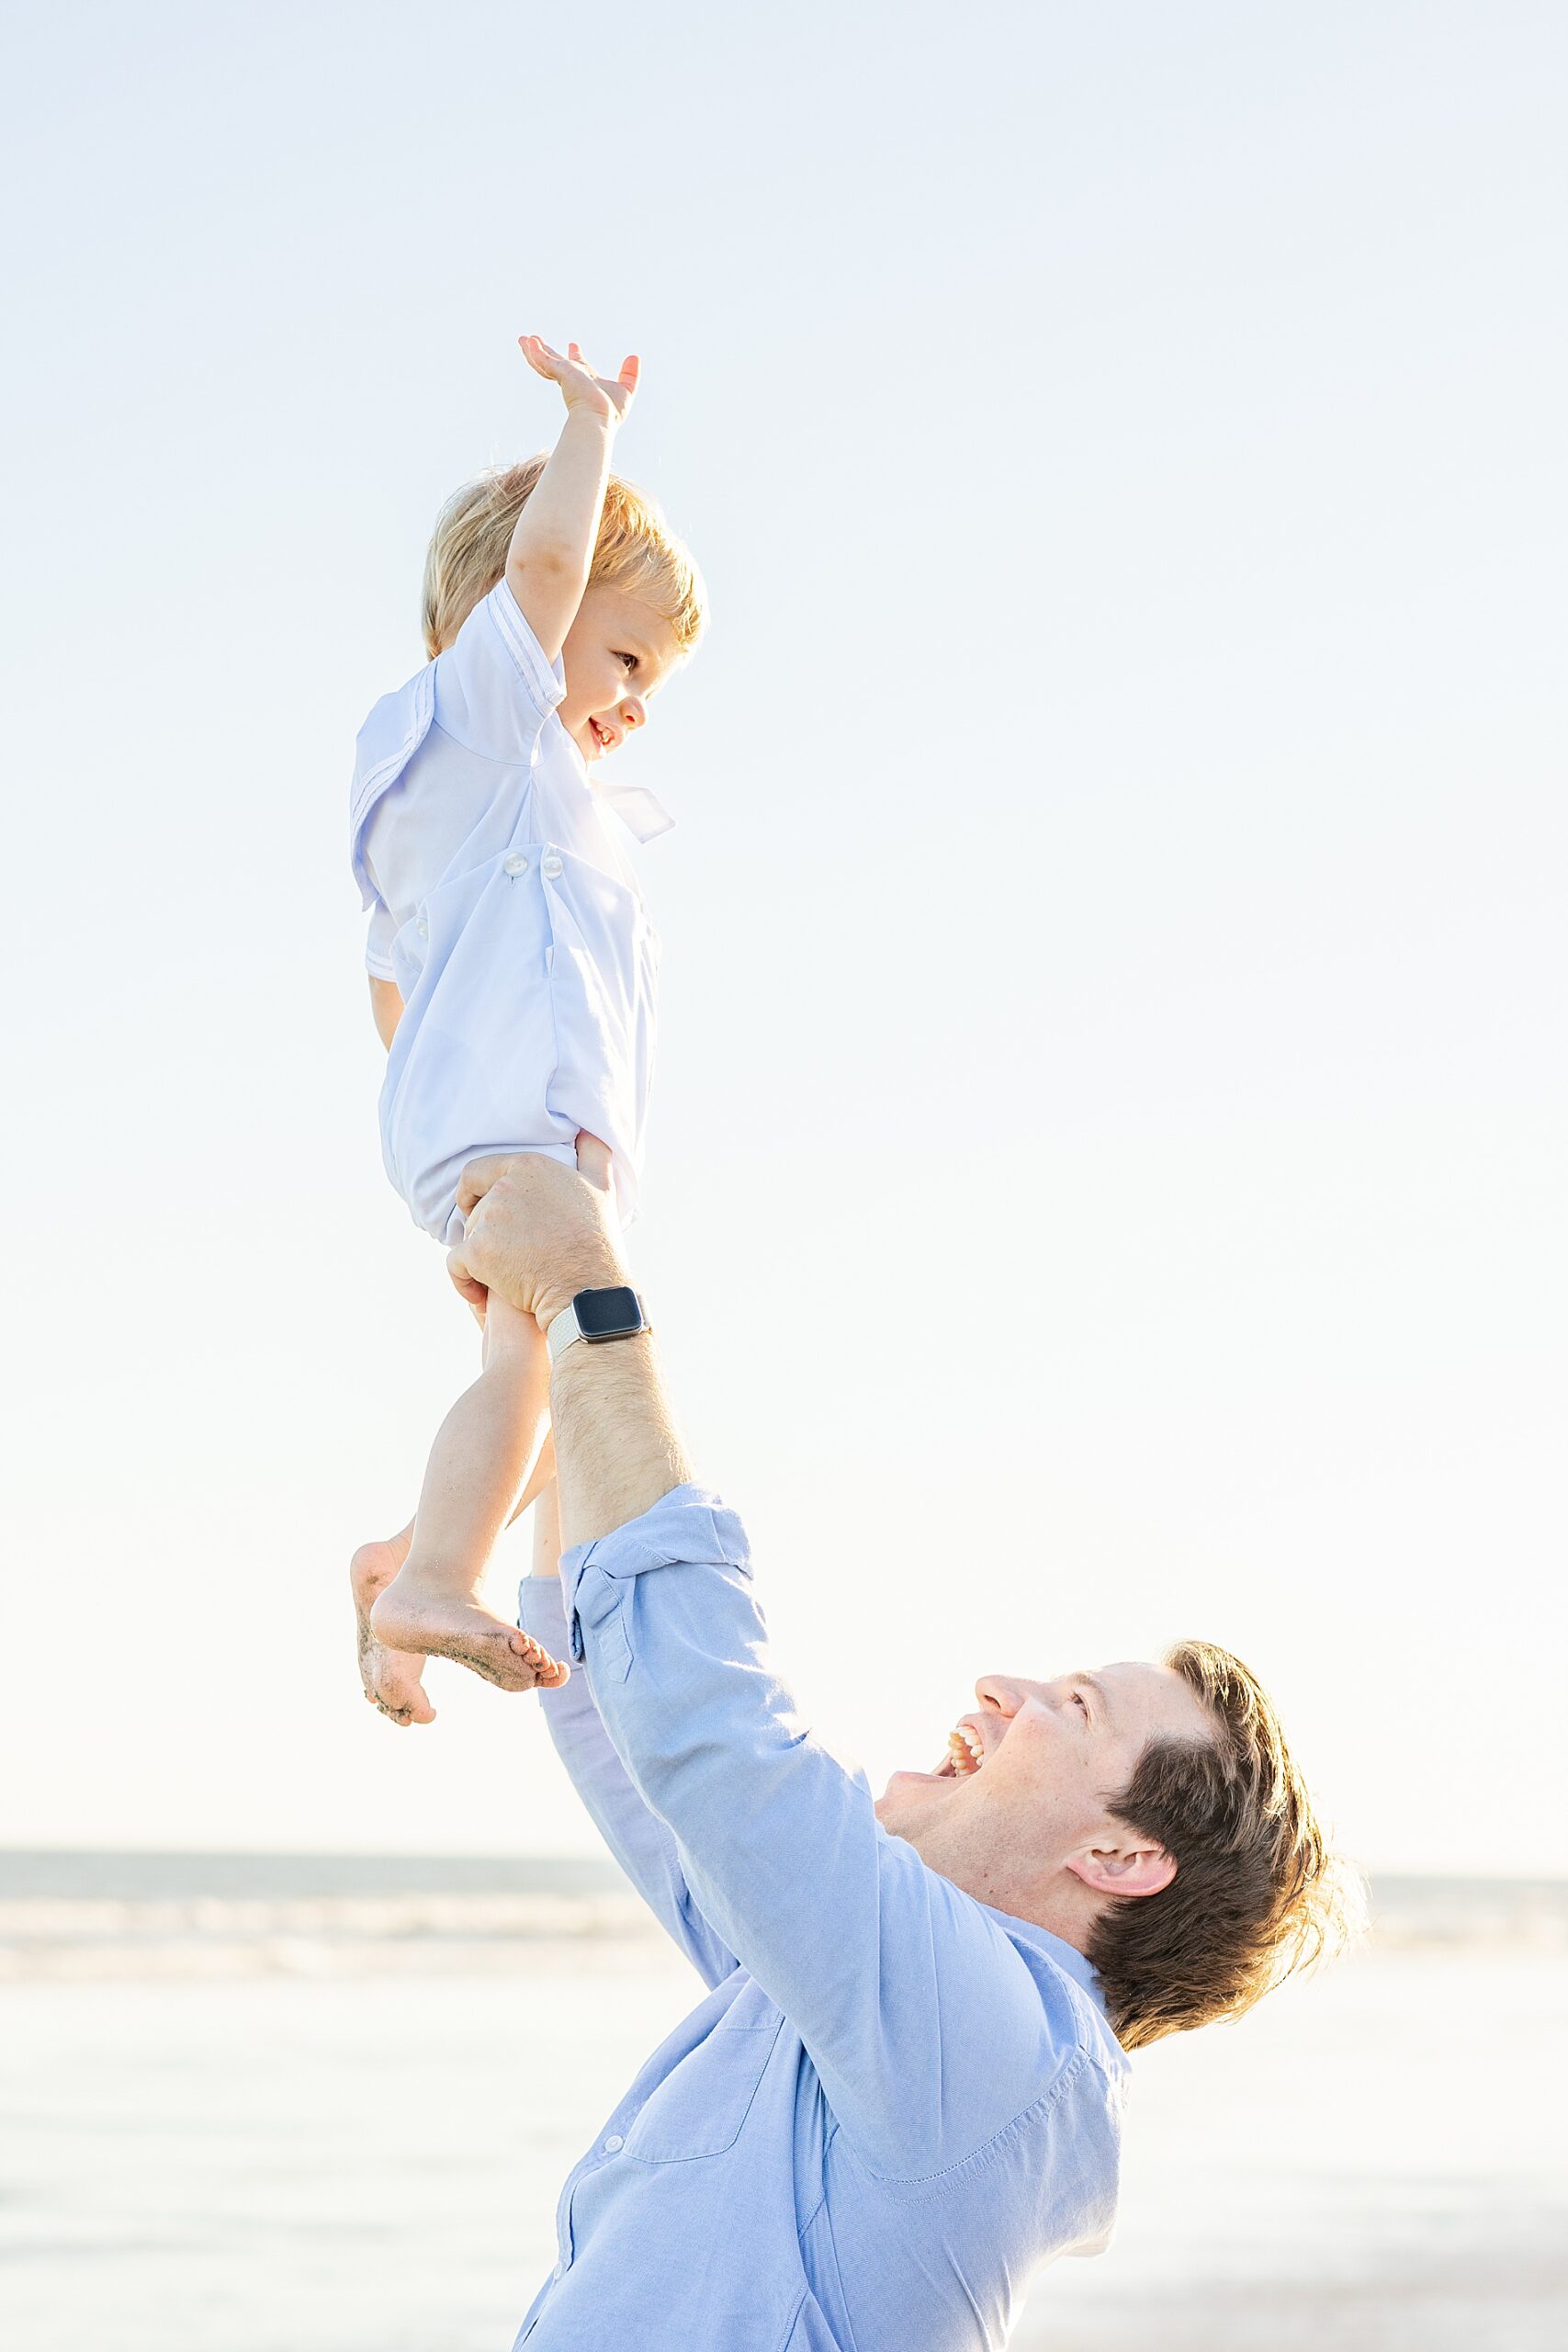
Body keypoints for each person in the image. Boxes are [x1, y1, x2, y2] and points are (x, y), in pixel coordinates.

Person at [438, 1146, 1353, 2352]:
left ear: (1122, 1856)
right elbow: (644, 1747)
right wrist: (558, 1374)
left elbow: (723, 1748)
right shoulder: (857, 2011)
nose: (1000, 1687)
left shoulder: (998, 2058)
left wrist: (591, 1296)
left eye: (1071, 1708)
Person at [345, 334, 706, 1726]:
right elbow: (549, 574)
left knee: (554, 1390)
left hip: (491, 1133)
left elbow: (391, 983)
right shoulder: (484, 717)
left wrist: (448, 1141)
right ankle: (434, 1574)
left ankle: (411, 1561)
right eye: (626, 658)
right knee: (541, 1368)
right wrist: (591, 431)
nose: (633, 701)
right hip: (512, 1127)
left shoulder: (489, 798)